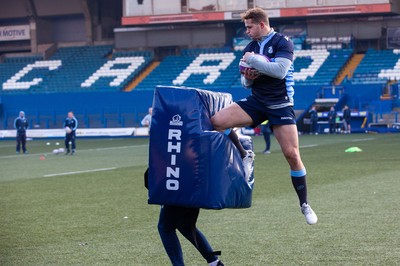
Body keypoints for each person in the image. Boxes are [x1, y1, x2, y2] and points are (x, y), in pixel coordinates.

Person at [210, 7, 317, 225]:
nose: (247, 32)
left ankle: (304, 204)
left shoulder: (282, 42)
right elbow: (245, 81)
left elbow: (279, 71)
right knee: (216, 121)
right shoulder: (250, 47)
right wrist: (248, 77)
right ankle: (244, 153)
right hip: (257, 102)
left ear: (261, 24)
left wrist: (252, 60)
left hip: (280, 104)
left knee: (292, 155)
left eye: (249, 27)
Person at [144, 170, 224, 266]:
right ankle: (214, 262)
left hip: (178, 181)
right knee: (185, 225)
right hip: (196, 184)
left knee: (166, 228)